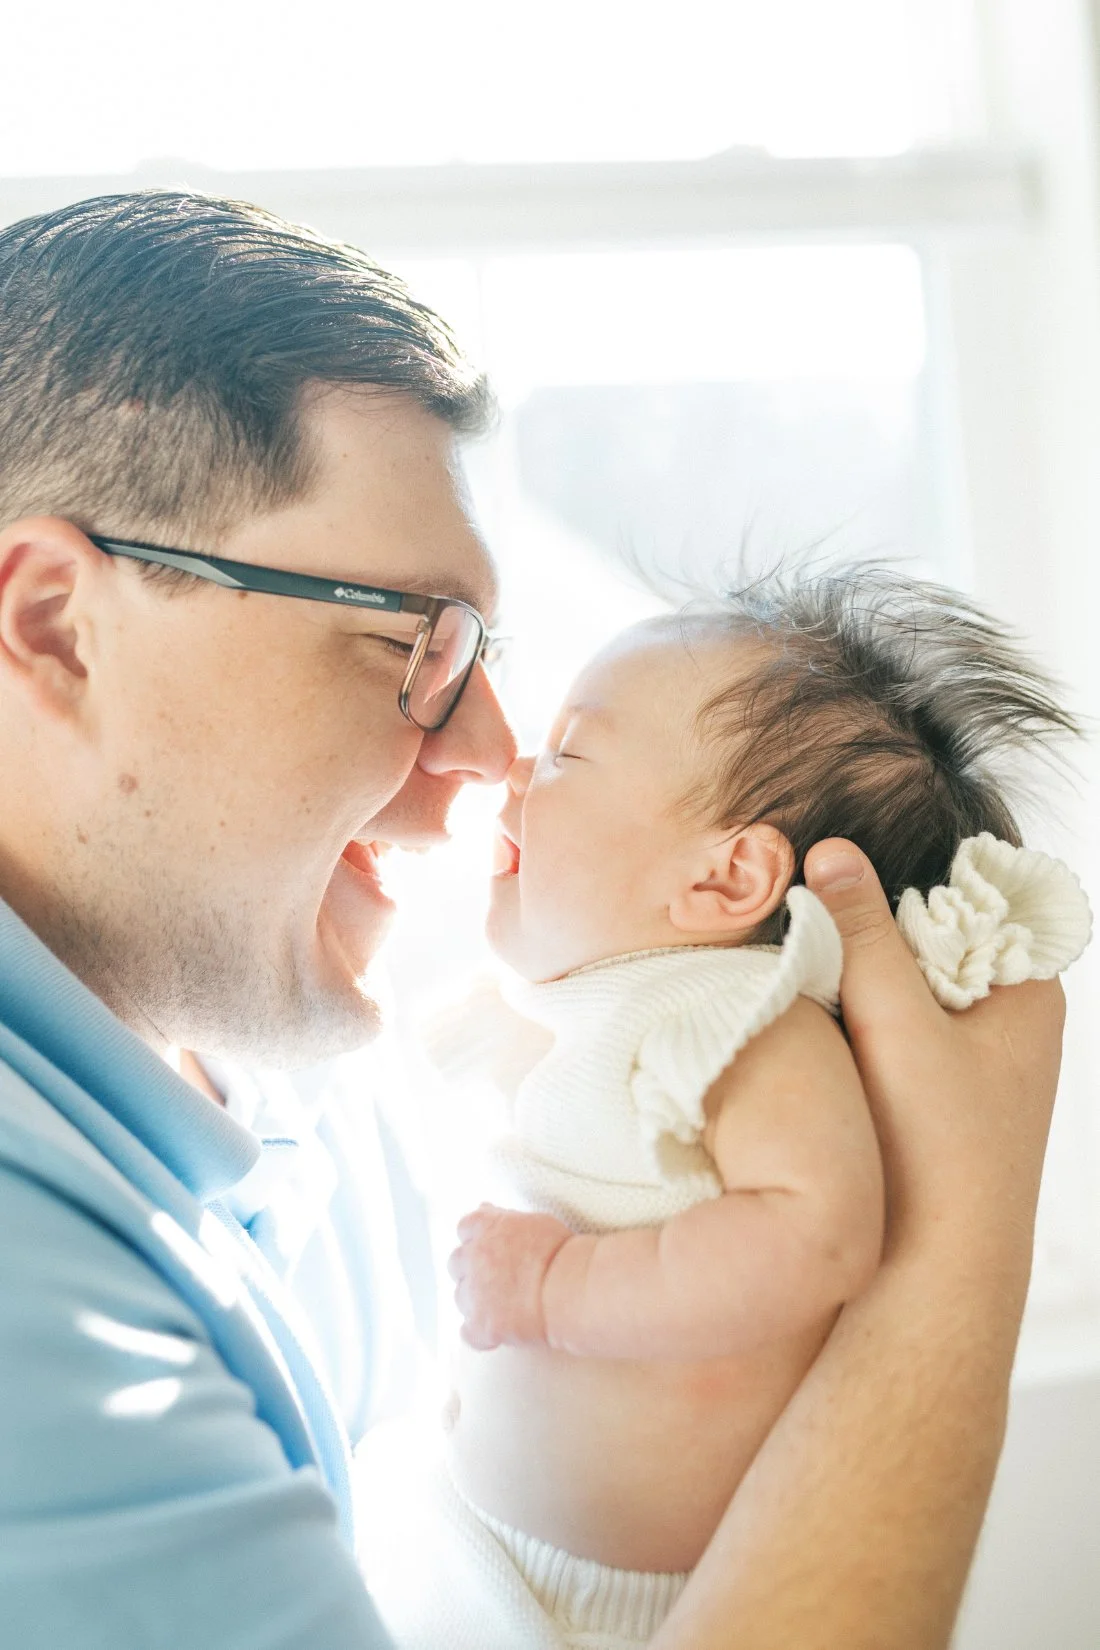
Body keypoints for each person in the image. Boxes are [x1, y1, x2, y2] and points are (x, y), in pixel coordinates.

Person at [0, 188, 1070, 1650]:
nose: (497, 751)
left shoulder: (291, 1086)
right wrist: (956, 1259)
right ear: (58, 623)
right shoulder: (41, 1316)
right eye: (408, 641)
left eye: (482, 654)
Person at [360, 580, 1088, 1650]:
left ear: (726, 877)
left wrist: (561, 1290)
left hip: (617, 1615)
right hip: (472, 1537)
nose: (514, 772)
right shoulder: (606, 1007)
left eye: (566, 754)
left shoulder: (738, 1020)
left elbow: (814, 1230)